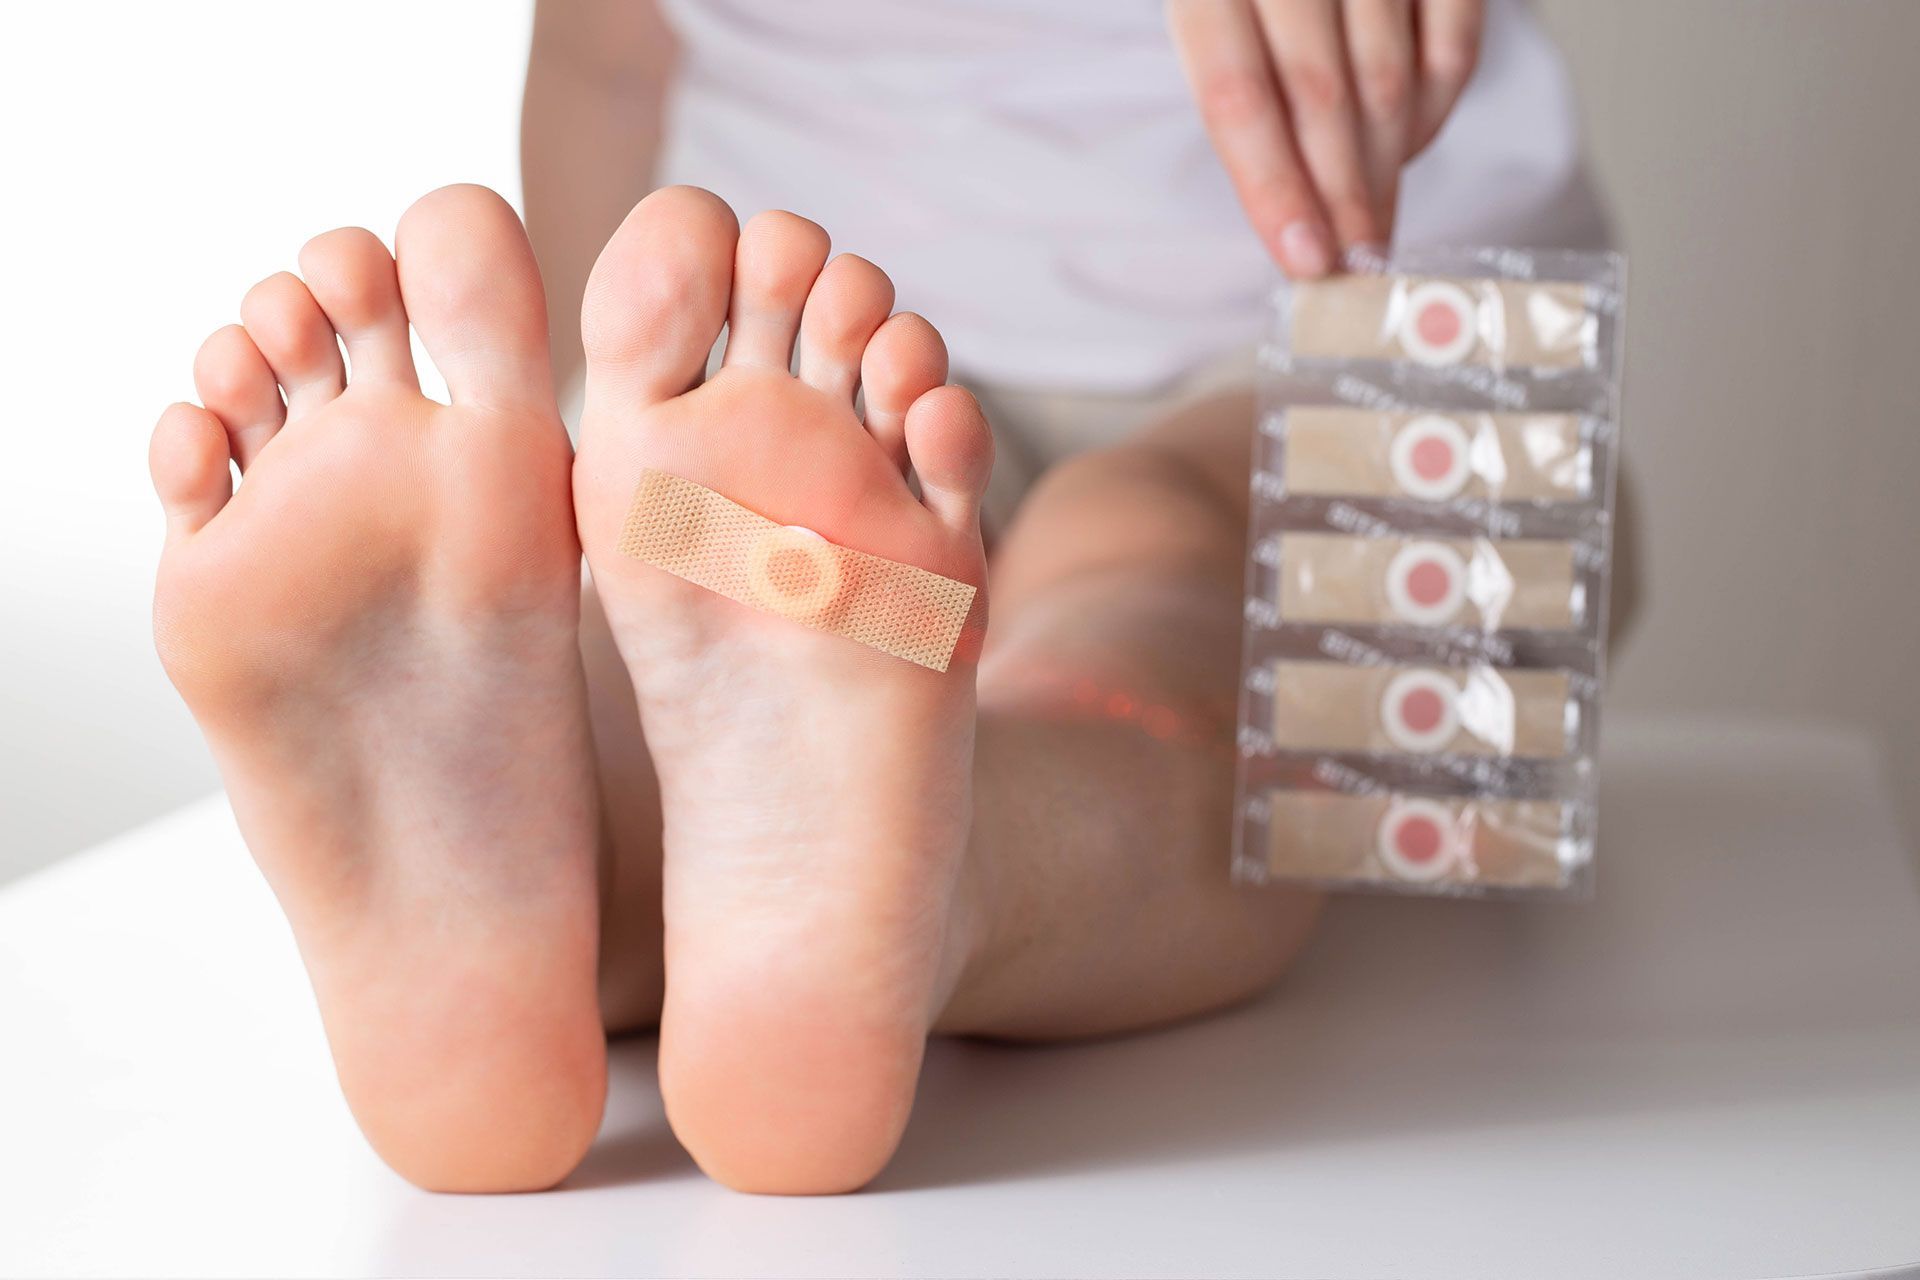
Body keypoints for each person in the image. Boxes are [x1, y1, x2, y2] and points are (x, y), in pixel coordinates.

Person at [147, 0, 1608, 1196]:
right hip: (827, 413)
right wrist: (584, 470)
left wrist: (600, 382)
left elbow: (606, 52)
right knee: (1170, 624)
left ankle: (630, 868)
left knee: (1128, 565)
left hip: (891, 355)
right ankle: (855, 876)